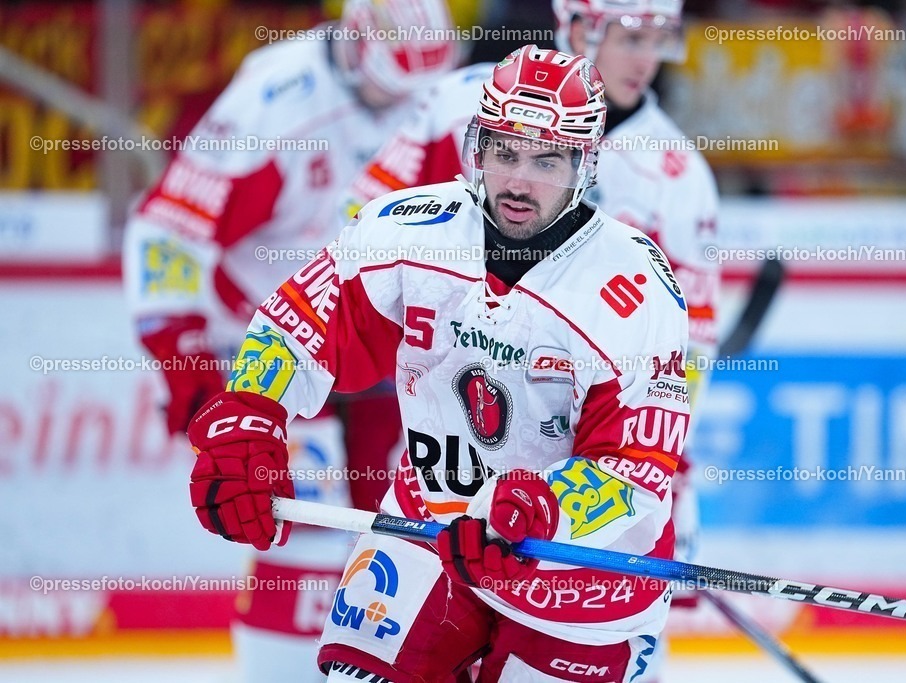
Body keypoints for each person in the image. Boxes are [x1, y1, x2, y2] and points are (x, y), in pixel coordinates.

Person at [187, 45, 692, 682]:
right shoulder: (406, 230)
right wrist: (248, 419)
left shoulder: (633, 286)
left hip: (579, 576)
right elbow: (300, 324)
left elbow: (637, 472)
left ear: (584, 164)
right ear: (475, 148)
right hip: (430, 525)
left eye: (547, 159)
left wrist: (540, 509)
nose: (518, 181)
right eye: (505, 151)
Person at [339, 2, 720, 675]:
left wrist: (662, 476)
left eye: (658, 40)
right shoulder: (462, 101)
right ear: (577, 28)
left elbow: (685, 350)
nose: (646, 59)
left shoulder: (679, 176)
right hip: (453, 444)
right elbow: (363, 223)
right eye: (631, 37)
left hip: (577, 483)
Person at [122, 2, 456, 681]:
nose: (403, 109)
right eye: (390, 90)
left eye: (417, 95)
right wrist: (186, 361)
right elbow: (169, 229)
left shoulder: (431, 105)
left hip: (367, 342)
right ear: (357, 44)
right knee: (293, 520)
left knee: (397, 519)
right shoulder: (277, 98)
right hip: (264, 340)